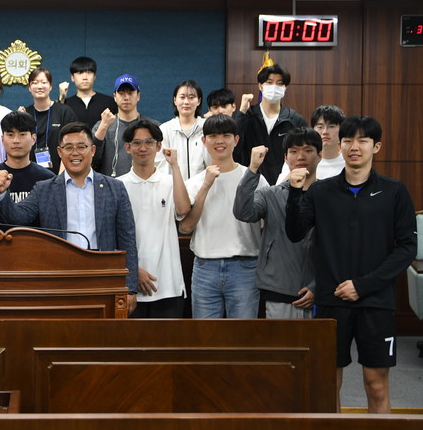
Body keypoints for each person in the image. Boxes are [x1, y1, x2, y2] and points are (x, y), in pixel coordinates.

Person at [286, 116, 417, 414]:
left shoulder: (394, 191)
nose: (354, 147)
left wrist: (363, 285)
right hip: (331, 302)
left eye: (363, 141)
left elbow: (407, 248)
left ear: (376, 146)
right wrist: (295, 193)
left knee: (376, 385)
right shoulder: (320, 191)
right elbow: (295, 233)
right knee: (327, 385)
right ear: (339, 144)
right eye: (348, 140)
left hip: (376, 302)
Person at [0, 122, 139, 309]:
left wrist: (130, 289)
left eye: (81, 147)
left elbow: (127, 239)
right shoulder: (44, 189)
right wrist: (1, 194)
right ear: (59, 152)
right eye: (68, 147)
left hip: (103, 274)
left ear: (93, 150)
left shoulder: (115, 188)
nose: (75, 153)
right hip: (60, 276)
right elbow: (18, 217)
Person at [179, 114, 267, 319]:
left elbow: (265, 224)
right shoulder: (194, 182)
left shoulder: (254, 178)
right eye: (213, 136)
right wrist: (206, 185)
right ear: (204, 141)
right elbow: (186, 227)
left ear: (236, 140)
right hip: (205, 268)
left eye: (226, 135)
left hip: (244, 266)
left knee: (243, 334)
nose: (219, 141)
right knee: (205, 335)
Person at [233, 128, 321, 319]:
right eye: (294, 151)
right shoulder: (270, 194)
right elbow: (243, 212)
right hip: (278, 287)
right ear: (286, 158)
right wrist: (252, 169)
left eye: (308, 150)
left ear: (319, 156)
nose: (301, 156)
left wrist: (318, 285)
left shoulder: (328, 195)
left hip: (320, 291)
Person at [118, 119, 190, 318]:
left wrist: (175, 166)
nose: (143, 148)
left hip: (169, 284)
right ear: (127, 148)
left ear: (159, 146)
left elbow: (183, 209)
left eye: (149, 142)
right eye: (137, 143)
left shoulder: (171, 181)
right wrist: (133, 271)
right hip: (130, 287)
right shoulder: (118, 186)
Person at [234, 64, 307, 184]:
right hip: (251, 182)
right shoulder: (247, 116)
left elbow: (304, 153)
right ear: (260, 86)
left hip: (285, 184)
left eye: (279, 83)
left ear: (285, 87)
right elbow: (234, 147)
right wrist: (241, 113)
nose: (274, 87)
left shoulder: (295, 120)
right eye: (269, 82)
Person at [92, 74, 160, 178]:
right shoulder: (102, 126)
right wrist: (103, 126)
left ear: (138, 96)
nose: (126, 97)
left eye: (130, 93)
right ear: (115, 97)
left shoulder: (153, 126)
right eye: (121, 93)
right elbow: (92, 159)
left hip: (145, 183)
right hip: (111, 184)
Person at [23, 67, 78, 173]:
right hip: (31, 175)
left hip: (60, 173)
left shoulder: (64, 111)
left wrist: (61, 177)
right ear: (29, 87)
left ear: (51, 86)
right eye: (35, 83)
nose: (39, 86)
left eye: (44, 82)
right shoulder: (25, 114)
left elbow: (72, 145)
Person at [156, 80, 210, 180]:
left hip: (203, 187)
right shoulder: (165, 129)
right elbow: (159, 166)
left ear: (199, 101)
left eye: (191, 97)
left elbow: (212, 162)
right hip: (173, 187)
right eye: (182, 97)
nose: (186, 102)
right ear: (175, 100)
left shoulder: (207, 128)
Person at [58, 56, 117, 127]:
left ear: (94, 76)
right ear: (72, 77)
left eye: (89, 72)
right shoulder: (66, 104)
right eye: (80, 73)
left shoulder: (109, 102)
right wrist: (61, 99)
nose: (85, 77)